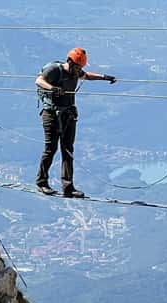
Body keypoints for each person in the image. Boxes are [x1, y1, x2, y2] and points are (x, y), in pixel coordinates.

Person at [34, 48, 116, 198]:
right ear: (70, 62)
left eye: (80, 68)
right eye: (77, 67)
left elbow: (87, 76)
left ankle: (68, 187)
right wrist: (53, 88)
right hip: (51, 114)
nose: (79, 71)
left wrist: (105, 77)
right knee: (50, 149)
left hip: (68, 114)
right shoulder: (54, 70)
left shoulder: (76, 71)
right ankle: (42, 183)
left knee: (68, 150)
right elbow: (39, 80)